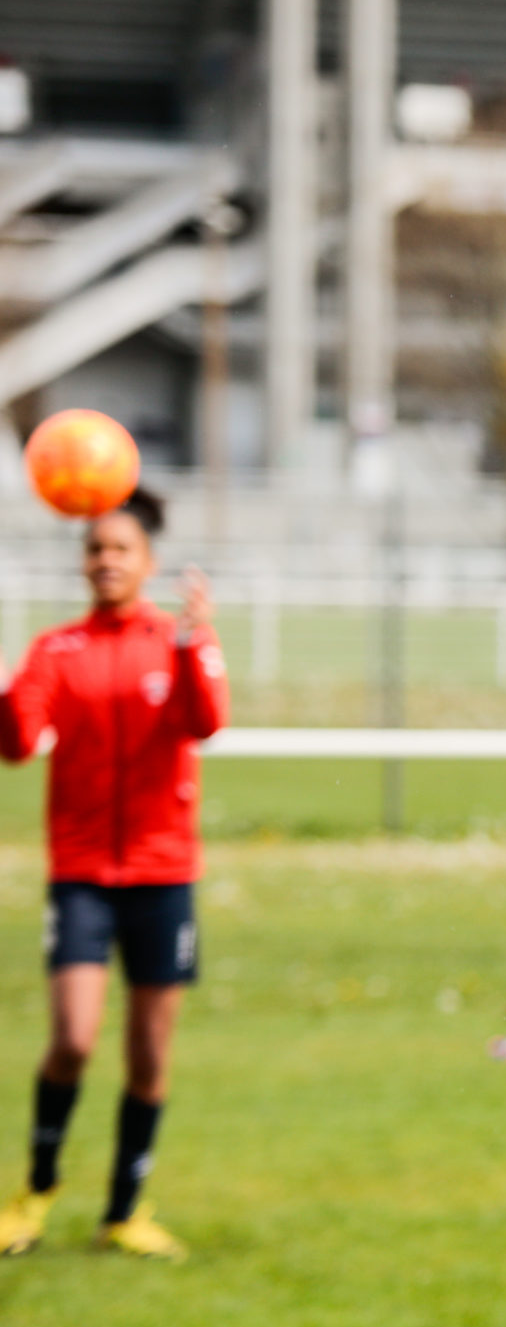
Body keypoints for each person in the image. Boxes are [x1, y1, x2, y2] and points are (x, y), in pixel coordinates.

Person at [0, 490, 228, 1260]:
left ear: (147, 563)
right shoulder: (56, 650)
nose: (106, 561)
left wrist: (198, 641)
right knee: (72, 1036)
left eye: (120, 549)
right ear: (83, 561)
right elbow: (18, 743)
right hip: (84, 874)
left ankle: (124, 1211)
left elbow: (206, 720)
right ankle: (34, 1191)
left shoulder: (177, 641)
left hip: (165, 874)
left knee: (149, 1053)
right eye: (95, 549)